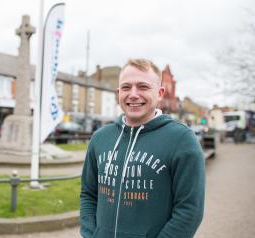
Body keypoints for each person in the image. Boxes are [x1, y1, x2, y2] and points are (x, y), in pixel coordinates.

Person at [80, 58, 205, 238]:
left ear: (160, 93)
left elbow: (189, 210)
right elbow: (88, 194)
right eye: (126, 87)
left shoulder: (182, 140)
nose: (133, 94)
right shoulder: (100, 138)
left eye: (143, 87)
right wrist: (90, 234)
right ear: (118, 93)